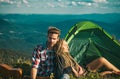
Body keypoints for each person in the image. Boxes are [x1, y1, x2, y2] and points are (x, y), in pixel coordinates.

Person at [53, 39, 120, 78]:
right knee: (107, 73)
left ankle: (117, 72)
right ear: (60, 47)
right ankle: (114, 73)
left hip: (84, 69)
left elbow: (74, 64)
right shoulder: (60, 57)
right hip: (83, 75)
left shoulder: (67, 55)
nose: (67, 46)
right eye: (65, 45)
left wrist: (78, 67)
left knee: (101, 60)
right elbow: (61, 72)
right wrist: (73, 69)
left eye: (67, 45)